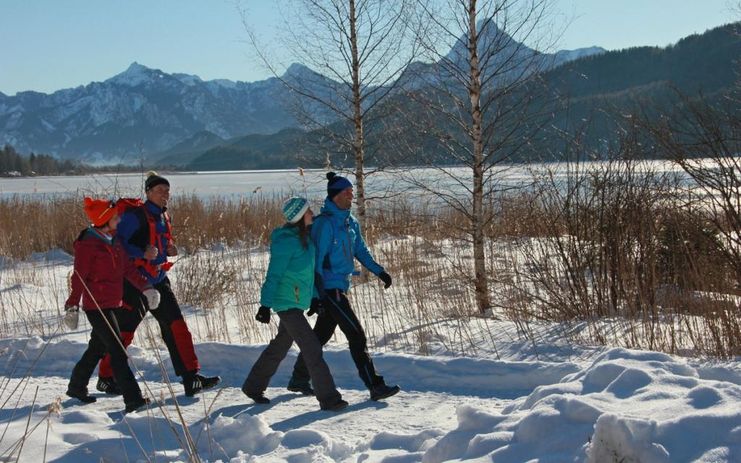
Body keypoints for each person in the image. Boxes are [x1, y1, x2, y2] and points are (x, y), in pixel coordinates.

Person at [95, 172, 220, 397]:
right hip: (135, 282)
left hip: (159, 280)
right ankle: (105, 377)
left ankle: (191, 378)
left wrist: (169, 248)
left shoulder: (164, 216)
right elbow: (117, 244)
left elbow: (158, 240)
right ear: (148, 192)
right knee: (124, 331)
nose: (166, 195)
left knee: (177, 327)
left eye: (167, 191)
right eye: (160, 190)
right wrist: (141, 252)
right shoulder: (134, 216)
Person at [287, 172, 400, 401]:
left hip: (340, 285)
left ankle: (299, 379)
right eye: (347, 191)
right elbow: (315, 263)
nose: (351, 194)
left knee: (319, 336)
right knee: (356, 335)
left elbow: (360, 250)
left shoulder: (350, 222)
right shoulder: (325, 225)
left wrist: (380, 271)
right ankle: (375, 385)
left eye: (351, 191)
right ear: (336, 195)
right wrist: (315, 297)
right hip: (329, 289)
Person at [242, 197, 348, 411]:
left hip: (296, 301)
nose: (312, 213)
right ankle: (329, 398)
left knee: (281, 345)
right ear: (300, 217)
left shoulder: (306, 239)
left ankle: (253, 386)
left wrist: (314, 299)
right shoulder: (286, 242)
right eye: (308, 211)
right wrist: (264, 305)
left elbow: (307, 275)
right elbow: (274, 274)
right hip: (285, 304)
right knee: (311, 348)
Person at [64, 197, 155, 413]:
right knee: (117, 351)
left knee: (97, 347)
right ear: (104, 219)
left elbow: (127, 270)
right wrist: (72, 306)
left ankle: (76, 387)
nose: (119, 219)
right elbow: (79, 277)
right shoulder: (89, 244)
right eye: (115, 217)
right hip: (97, 306)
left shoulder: (114, 241)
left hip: (114, 303)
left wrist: (147, 288)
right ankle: (133, 399)